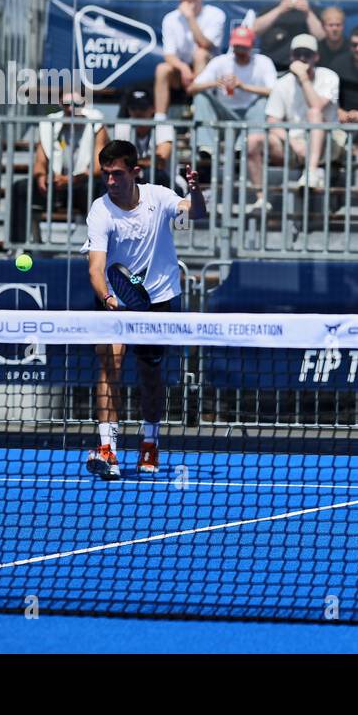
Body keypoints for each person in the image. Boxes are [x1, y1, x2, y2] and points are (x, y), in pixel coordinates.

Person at [85, 140, 206, 480]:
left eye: (117, 174)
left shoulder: (159, 197)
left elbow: (195, 214)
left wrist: (195, 193)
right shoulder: (101, 211)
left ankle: (150, 442)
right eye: (106, 174)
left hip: (159, 299)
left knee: (150, 375)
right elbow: (95, 268)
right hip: (114, 298)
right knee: (111, 364)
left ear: (135, 172)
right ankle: (107, 448)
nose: (110, 181)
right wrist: (110, 300)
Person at [187, 25, 277, 207]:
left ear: (251, 46)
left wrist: (243, 86)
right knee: (201, 97)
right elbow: (192, 88)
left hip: (251, 115)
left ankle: (240, 147)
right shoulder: (221, 62)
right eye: (237, 46)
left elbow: (275, 91)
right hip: (224, 114)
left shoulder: (263, 62)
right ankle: (206, 147)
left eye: (243, 47)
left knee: (261, 103)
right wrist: (215, 82)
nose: (240, 51)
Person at [10, 93, 108, 245]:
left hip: (82, 186)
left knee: (99, 190)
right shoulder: (50, 123)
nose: (70, 109)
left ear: (84, 104)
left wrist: (70, 180)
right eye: (66, 104)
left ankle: (99, 246)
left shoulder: (96, 123)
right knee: (21, 188)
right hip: (56, 185)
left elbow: (97, 168)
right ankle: (18, 247)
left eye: (75, 104)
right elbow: (40, 161)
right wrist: (41, 177)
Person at [265, 34, 343, 191]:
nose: (302, 58)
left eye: (307, 54)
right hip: (295, 142)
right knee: (271, 139)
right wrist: (293, 143)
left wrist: (303, 78)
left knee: (314, 114)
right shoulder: (282, 83)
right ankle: (304, 174)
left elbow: (317, 106)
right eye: (297, 54)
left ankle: (312, 170)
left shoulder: (329, 76)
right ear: (291, 57)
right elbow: (272, 121)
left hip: (328, 139)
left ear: (316, 57)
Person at [154, 0, 226, 119]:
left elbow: (204, 44)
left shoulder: (216, 14)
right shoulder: (170, 18)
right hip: (182, 73)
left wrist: (190, 18)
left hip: (209, 71)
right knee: (162, 69)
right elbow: (169, 55)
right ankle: (159, 121)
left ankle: (200, 110)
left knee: (200, 54)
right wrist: (183, 68)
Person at [253, 0, 325, 72]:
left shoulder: (313, 11)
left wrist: (308, 13)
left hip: (305, 67)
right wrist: (279, 10)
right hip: (274, 68)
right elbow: (254, 30)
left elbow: (321, 37)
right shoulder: (270, 10)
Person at [112, 86, 175, 188]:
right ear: (128, 110)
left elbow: (160, 161)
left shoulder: (162, 123)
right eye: (133, 108)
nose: (138, 112)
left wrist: (129, 162)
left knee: (150, 173)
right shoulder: (122, 126)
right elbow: (117, 160)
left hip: (168, 182)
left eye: (143, 107)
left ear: (153, 108)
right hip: (133, 179)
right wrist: (144, 162)